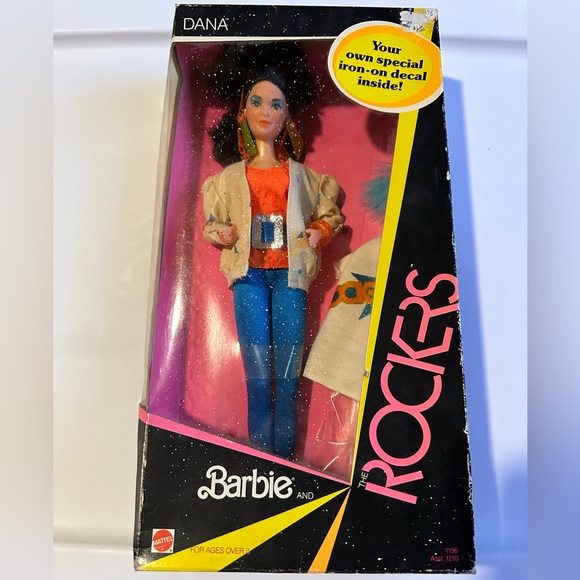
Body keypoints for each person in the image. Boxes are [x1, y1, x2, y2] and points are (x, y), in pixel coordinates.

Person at [202, 49, 344, 458]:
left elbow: (330, 214)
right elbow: (211, 224)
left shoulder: (304, 176)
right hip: (247, 274)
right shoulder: (229, 178)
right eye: (257, 102)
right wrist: (223, 232)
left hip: (290, 275)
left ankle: (285, 459)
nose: (266, 112)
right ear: (242, 111)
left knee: (288, 373)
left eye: (276, 104)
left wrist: (319, 230)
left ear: (288, 115)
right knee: (257, 374)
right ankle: (260, 456)